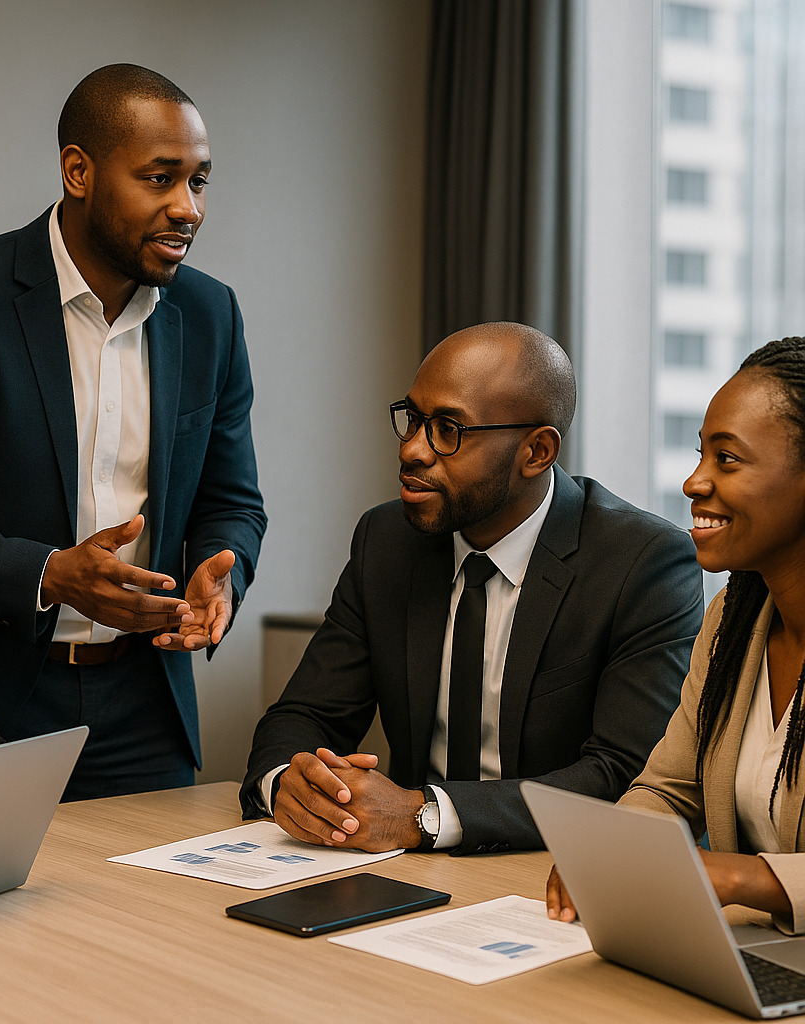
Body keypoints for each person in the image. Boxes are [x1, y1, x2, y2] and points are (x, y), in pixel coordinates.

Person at [0, 65, 266, 799]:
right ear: (78, 171)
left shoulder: (212, 316)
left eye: (200, 181)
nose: (188, 208)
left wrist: (224, 567)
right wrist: (50, 575)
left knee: (147, 917)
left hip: (150, 708)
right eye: (160, 178)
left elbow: (233, 499)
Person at [241, 322, 703, 854]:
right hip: (404, 872)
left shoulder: (641, 563)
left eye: (447, 429)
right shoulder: (387, 540)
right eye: (412, 420)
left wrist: (425, 815)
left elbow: (624, 774)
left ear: (536, 451)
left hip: (551, 874)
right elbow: (307, 714)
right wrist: (289, 785)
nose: (413, 450)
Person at [547, 336, 805, 935]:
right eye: (700, 455)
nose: (694, 482)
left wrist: (745, 879)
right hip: (765, 955)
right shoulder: (733, 620)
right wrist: (615, 851)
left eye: (728, 459)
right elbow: (668, 787)